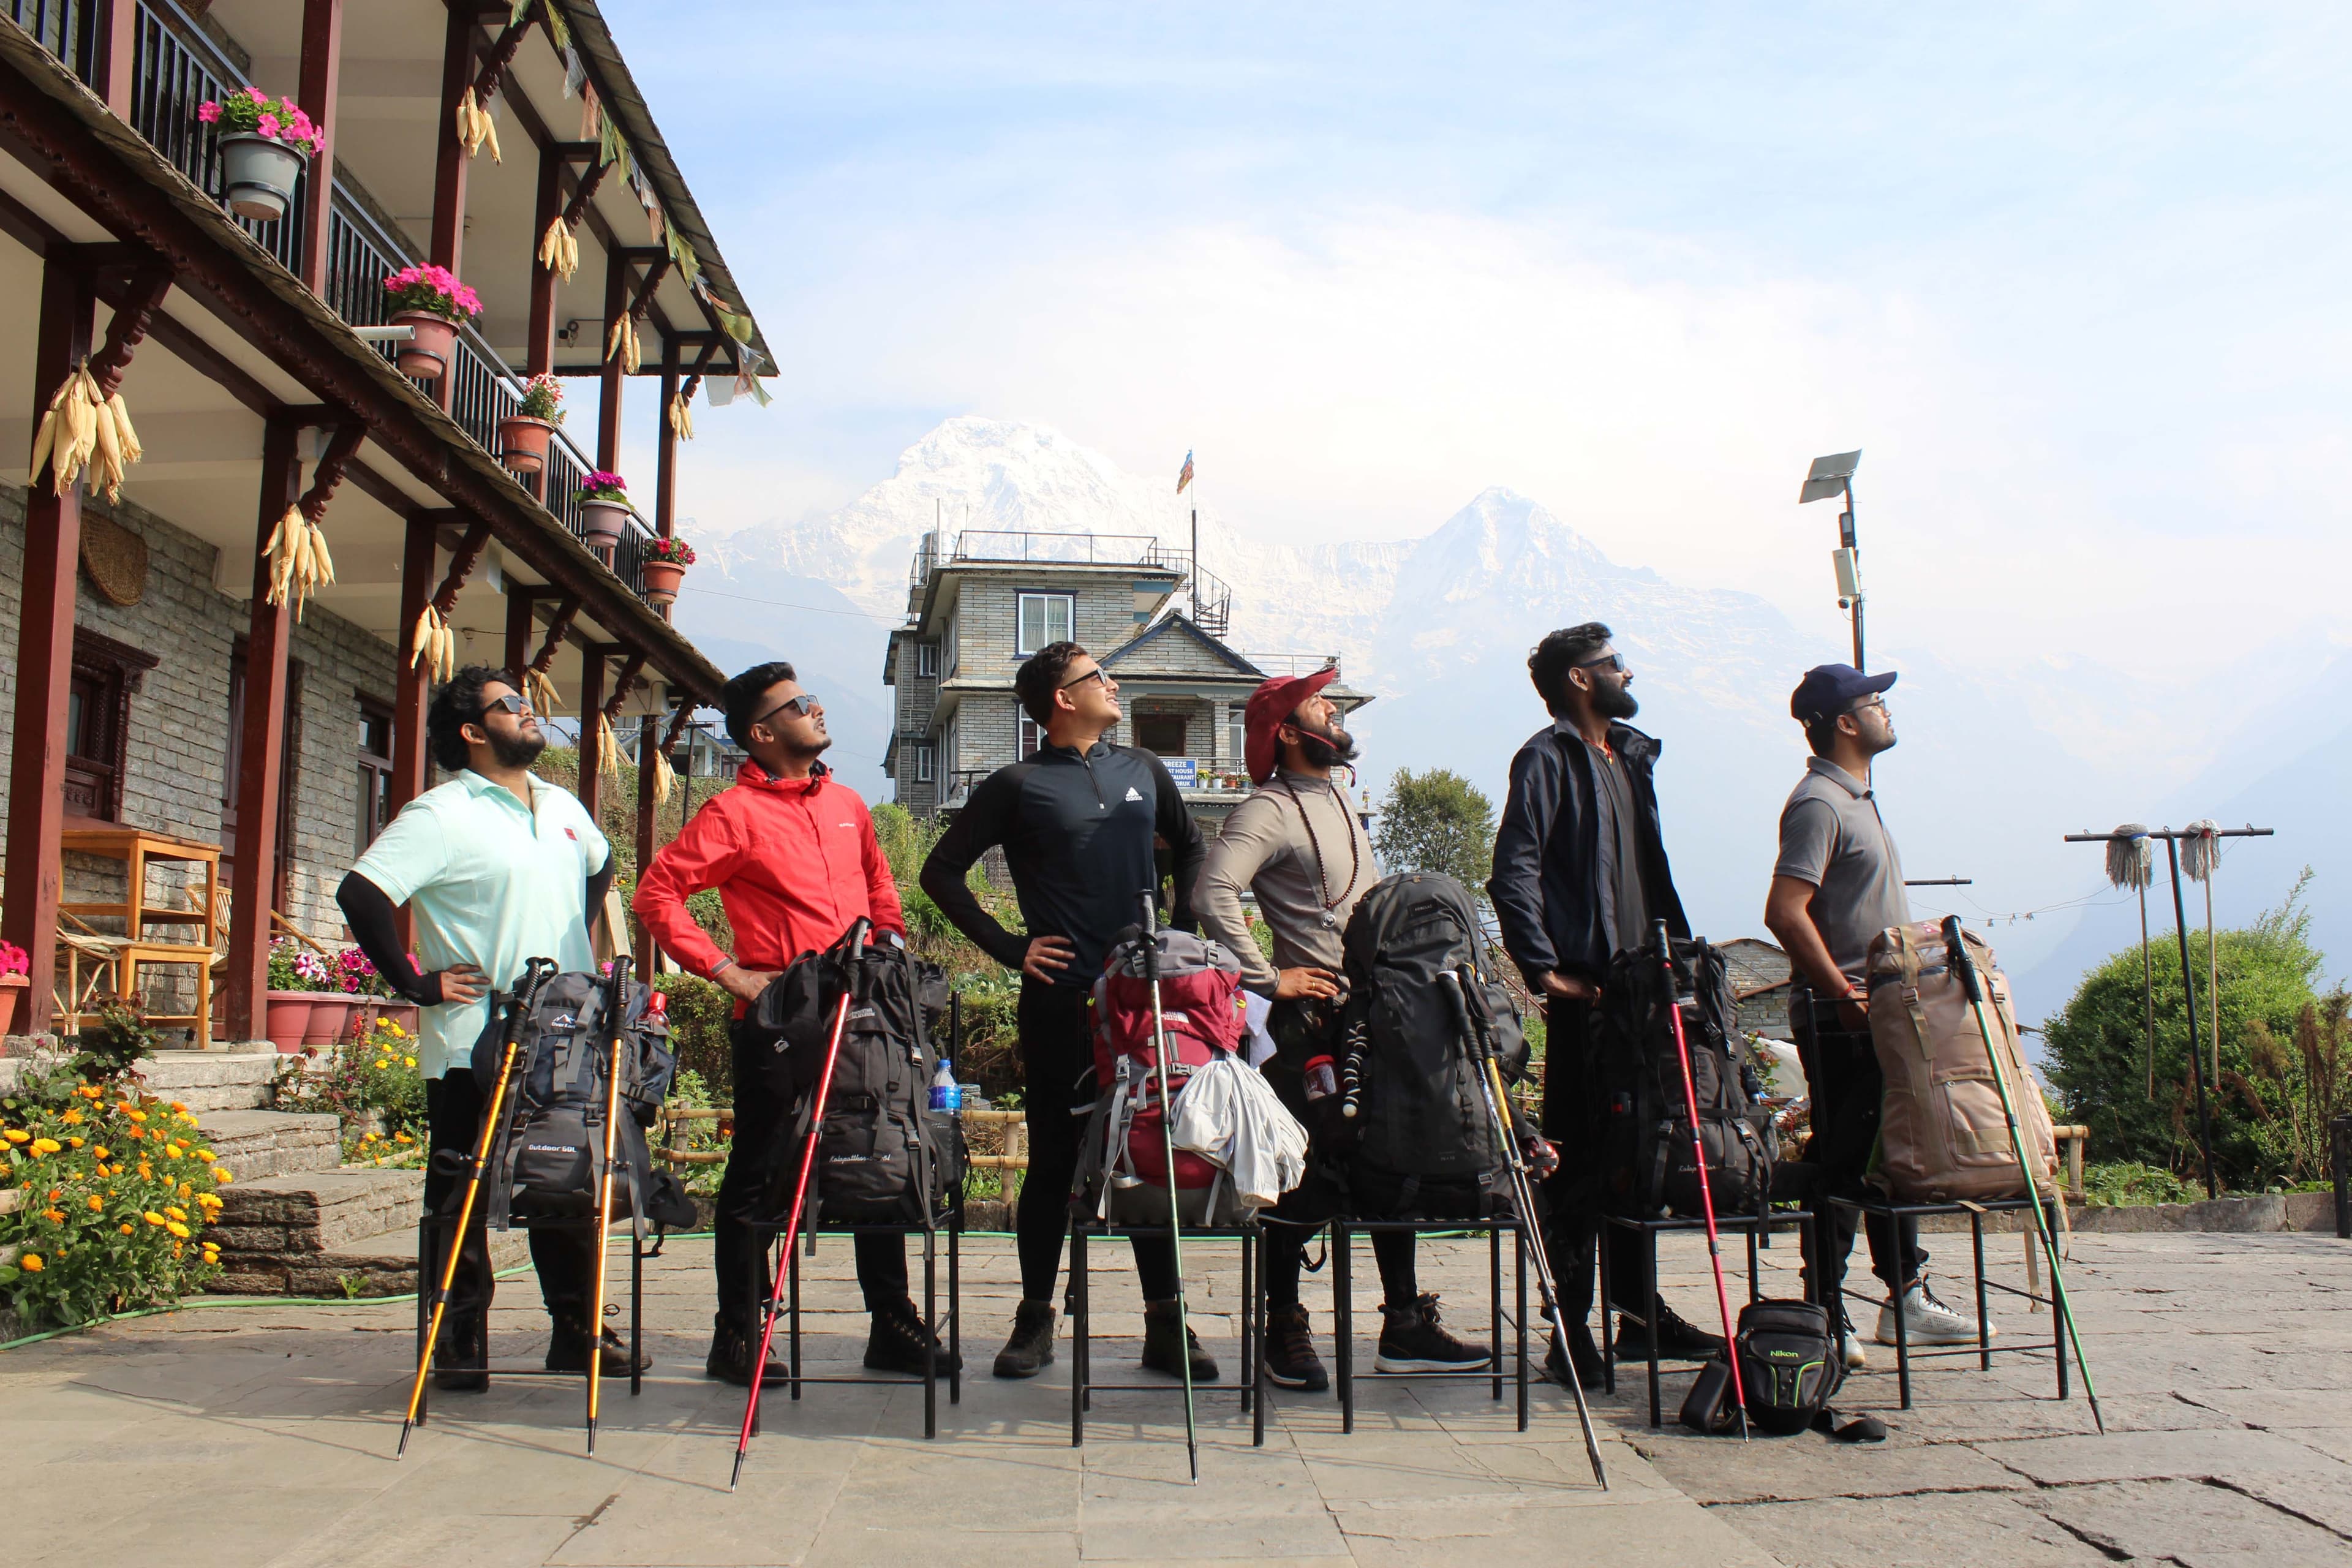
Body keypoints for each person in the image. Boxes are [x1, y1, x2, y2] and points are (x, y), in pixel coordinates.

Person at [634, 662, 955, 1386]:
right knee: (759, 1171)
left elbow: (878, 879)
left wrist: (892, 944)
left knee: (885, 1153)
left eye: (812, 699)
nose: (815, 709)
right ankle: (738, 1333)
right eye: (799, 705)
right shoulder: (732, 814)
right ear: (762, 732)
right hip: (784, 1021)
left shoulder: (847, 802)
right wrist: (726, 970)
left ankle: (893, 1324)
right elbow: (658, 894)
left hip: (869, 1013)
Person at [336, 666, 641, 1388]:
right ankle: (457, 1337)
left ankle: (576, 1331)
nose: (530, 713)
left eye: (529, 703)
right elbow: (362, 891)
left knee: (567, 1180)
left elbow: (599, 868)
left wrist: (585, 949)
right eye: (511, 706)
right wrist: (413, 981)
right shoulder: (439, 815)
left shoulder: (562, 804)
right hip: (476, 1034)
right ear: (473, 732)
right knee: (461, 1189)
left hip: (563, 1039)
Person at [919, 641, 1212, 1382]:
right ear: (1062, 698)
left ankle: (1165, 1320)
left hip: (1145, 1001)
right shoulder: (1018, 784)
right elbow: (940, 871)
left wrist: (1179, 932)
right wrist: (1011, 947)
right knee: (1052, 1159)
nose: (1113, 686)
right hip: (1060, 999)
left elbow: (1193, 846)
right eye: (1097, 677)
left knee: (1152, 1151)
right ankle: (1033, 1319)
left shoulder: (1143, 770)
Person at [1195, 668, 1493, 1391]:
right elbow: (1210, 892)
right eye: (1318, 704)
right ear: (1290, 734)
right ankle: (1283, 1327)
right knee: (1301, 1173)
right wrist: (1268, 977)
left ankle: (1404, 1323)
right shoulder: (1265, 809)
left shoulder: (1335, 796)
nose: (1333, 708)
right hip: (1309, 1025)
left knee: (1394, 1160)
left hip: (1374, 1013)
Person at [1488, 622, 1724, 1387]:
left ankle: (1639, 1311)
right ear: (1581, 680)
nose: (1627, 671)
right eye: (1614, 663)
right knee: (1581, 1162)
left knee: (1645, 1153)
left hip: (1641, 990)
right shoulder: (1548, 758)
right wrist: (1543, 967)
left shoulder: (1627, 757)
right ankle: (1569, 1329)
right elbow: (1514, 866)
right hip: (1588, 994)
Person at [1762, 663, 1988, 1362]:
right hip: (1842, 1022)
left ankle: (1907, 1295)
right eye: (1874, 702)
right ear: (1845, 722)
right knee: (1843, 1161)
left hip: (1883, 1013)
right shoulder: (1821, 803)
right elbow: (1784, 912)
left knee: (1896, 1155)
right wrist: (1841, 993)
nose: (1886, 711)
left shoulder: (1859, 798)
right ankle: (1825, 1308)